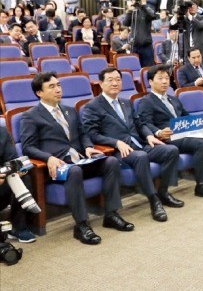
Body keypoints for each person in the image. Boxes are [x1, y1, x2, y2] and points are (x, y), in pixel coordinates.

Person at [20, 72, 133, 245]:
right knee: (74, 171)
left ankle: (111, 214)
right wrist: (48, 157)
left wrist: (88, 147)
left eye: (58, 85)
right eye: (52, 86)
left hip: (80, 160)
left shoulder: (69, 110)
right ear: (39, 93)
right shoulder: (30, 116)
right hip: (57, 166)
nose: (58, 89)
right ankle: (81, 225)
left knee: (110, 161)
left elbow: (83, 133)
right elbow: (28, 147)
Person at [82, 67, 182, 223]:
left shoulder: (126, 102)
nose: (115, 83)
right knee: (141, 157)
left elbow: (139, 123)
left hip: (139, 144)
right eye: (110, 80)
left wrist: (149, 135)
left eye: (118, 80)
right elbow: (92, 134)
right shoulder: (92, 106)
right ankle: (153, 201)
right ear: (100, 84)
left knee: (171, 150)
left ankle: (163, 192)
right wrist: (116, 142)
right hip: (118, 151)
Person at [138, 65, 203, 199]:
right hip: (168, 136)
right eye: (160, 78)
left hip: (184, 133)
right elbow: (145, 123)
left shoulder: (174, 99)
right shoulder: (146, 101)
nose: (165, 81)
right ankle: (201, 185)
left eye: (166, 78)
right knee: (200, 144)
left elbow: (188, 118)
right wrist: (158, 132)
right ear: (150, 82)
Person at [0, 126, 37, 243]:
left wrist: (15, 170)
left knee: (24, 178)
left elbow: (11, 159)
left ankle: (18, 227)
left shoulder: (1, 131)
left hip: (2, 178)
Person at [123, 0, 157, 66]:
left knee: (148, 67)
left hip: (146, 45)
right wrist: (129, 10)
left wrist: (144, 5)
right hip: (134, 45)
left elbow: (153, 15)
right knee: (135, 66)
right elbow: (126, 23)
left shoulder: (145, 11)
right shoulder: (132, 12)